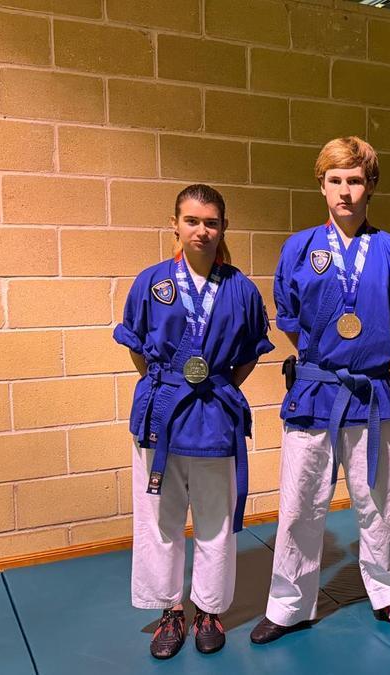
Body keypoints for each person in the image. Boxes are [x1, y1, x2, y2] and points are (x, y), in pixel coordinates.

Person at [249, 136, 390, 644]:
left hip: (372, 394)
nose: (345, 191)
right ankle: (287, 605)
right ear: (322, 186)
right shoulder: (300, 247)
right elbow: (289, 319)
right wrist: (327, 359)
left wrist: (365, 357)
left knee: (384, 502)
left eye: (354, 180)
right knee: (301, 505)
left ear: (370, 186)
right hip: (315, 392)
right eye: (335, 181)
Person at [113, 184, 274, 659]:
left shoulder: (241, 289)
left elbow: (248, 355)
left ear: (223, 227)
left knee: (215, 518)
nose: (201, 231)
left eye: (211, 222)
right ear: (175, 225)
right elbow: (136, 346)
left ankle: (208, 608)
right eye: (191, 221)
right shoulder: (151, 282)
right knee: (159, 519)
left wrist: (216, 384)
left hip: (214, 414)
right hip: (162, 412)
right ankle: (169, 609)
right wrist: (169, 387)